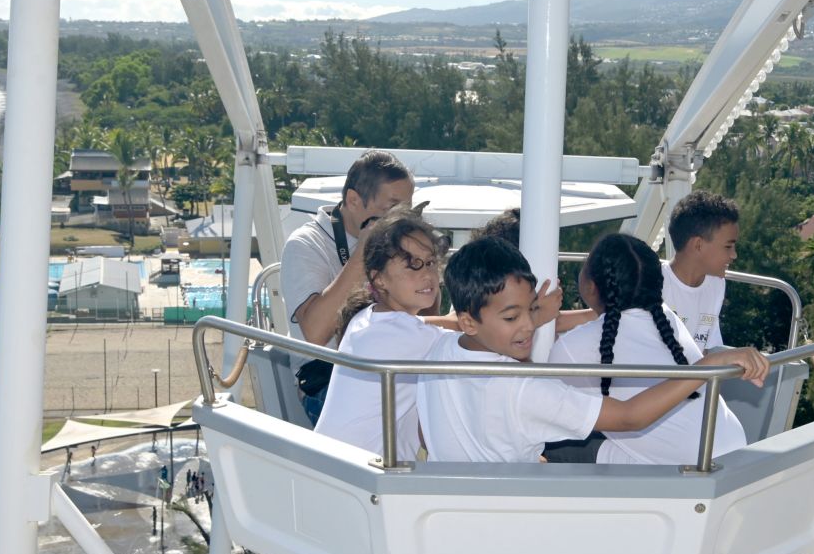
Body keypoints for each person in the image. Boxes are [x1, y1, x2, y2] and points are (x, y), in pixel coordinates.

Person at [417, 237, 767, 463]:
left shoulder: (439, 351)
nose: (527, 325)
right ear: (469, 321)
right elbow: (630, 417)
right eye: (513, 316)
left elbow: (424, 432)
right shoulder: (523, 388)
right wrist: (708, 366)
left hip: (454, 506)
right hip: (509, 517)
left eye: (530, 310)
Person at [551, 233, 747, 465]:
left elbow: (538, 403)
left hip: (685, 471)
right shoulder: (666, 318)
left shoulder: (570, 347)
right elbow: (615, 316)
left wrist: (538, 319)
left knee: (554, 442)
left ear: (591, 286)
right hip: (734, 450)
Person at [281, 150, 415, 422]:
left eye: (408, 211)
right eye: (392, 209)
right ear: (354, 200)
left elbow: (421, 317)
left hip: (388, 368)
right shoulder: (305, 244)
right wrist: (364, 253)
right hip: (328, 378)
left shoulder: (398, 242)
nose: (400, 220)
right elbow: (316, 333)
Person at [314, 209, 451, 462]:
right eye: (411, 265)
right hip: (360, 476)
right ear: (379, 280)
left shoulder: (368, 317)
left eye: (430, 262)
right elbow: (478, 340)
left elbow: (423, 325)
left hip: (334, 467)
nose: (426, 275)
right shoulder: (407, 337)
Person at [662, 191, 740, 351]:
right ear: (698, 245)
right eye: (728, 246)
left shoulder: (716, 284)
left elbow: (705, 350)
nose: (734, 255)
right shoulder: (652, 284)